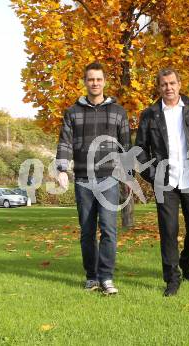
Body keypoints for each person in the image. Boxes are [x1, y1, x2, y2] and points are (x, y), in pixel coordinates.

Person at [135, 68, 189, 296]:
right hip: (165, 181)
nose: (168, 88)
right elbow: (139, 151)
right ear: (159, 87)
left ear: (180, 84)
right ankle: (172, 279)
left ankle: (186, 263)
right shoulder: (150, 114)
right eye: (164, 84)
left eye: (172, 83)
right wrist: (152, 176)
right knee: (168, 230)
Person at [56, 62, 131, 295]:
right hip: (83, 179)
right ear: (85, 81)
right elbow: (65, 143)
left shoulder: (118, 112)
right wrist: (61, 169)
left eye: (98, 79)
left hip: (109, 179)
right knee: (87, 231)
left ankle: (106, 277)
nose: (95, 83)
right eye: (90, 79)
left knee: (109, 229)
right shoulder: (73, 112)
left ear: (104, 81)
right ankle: (91, 277)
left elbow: (125, 147)